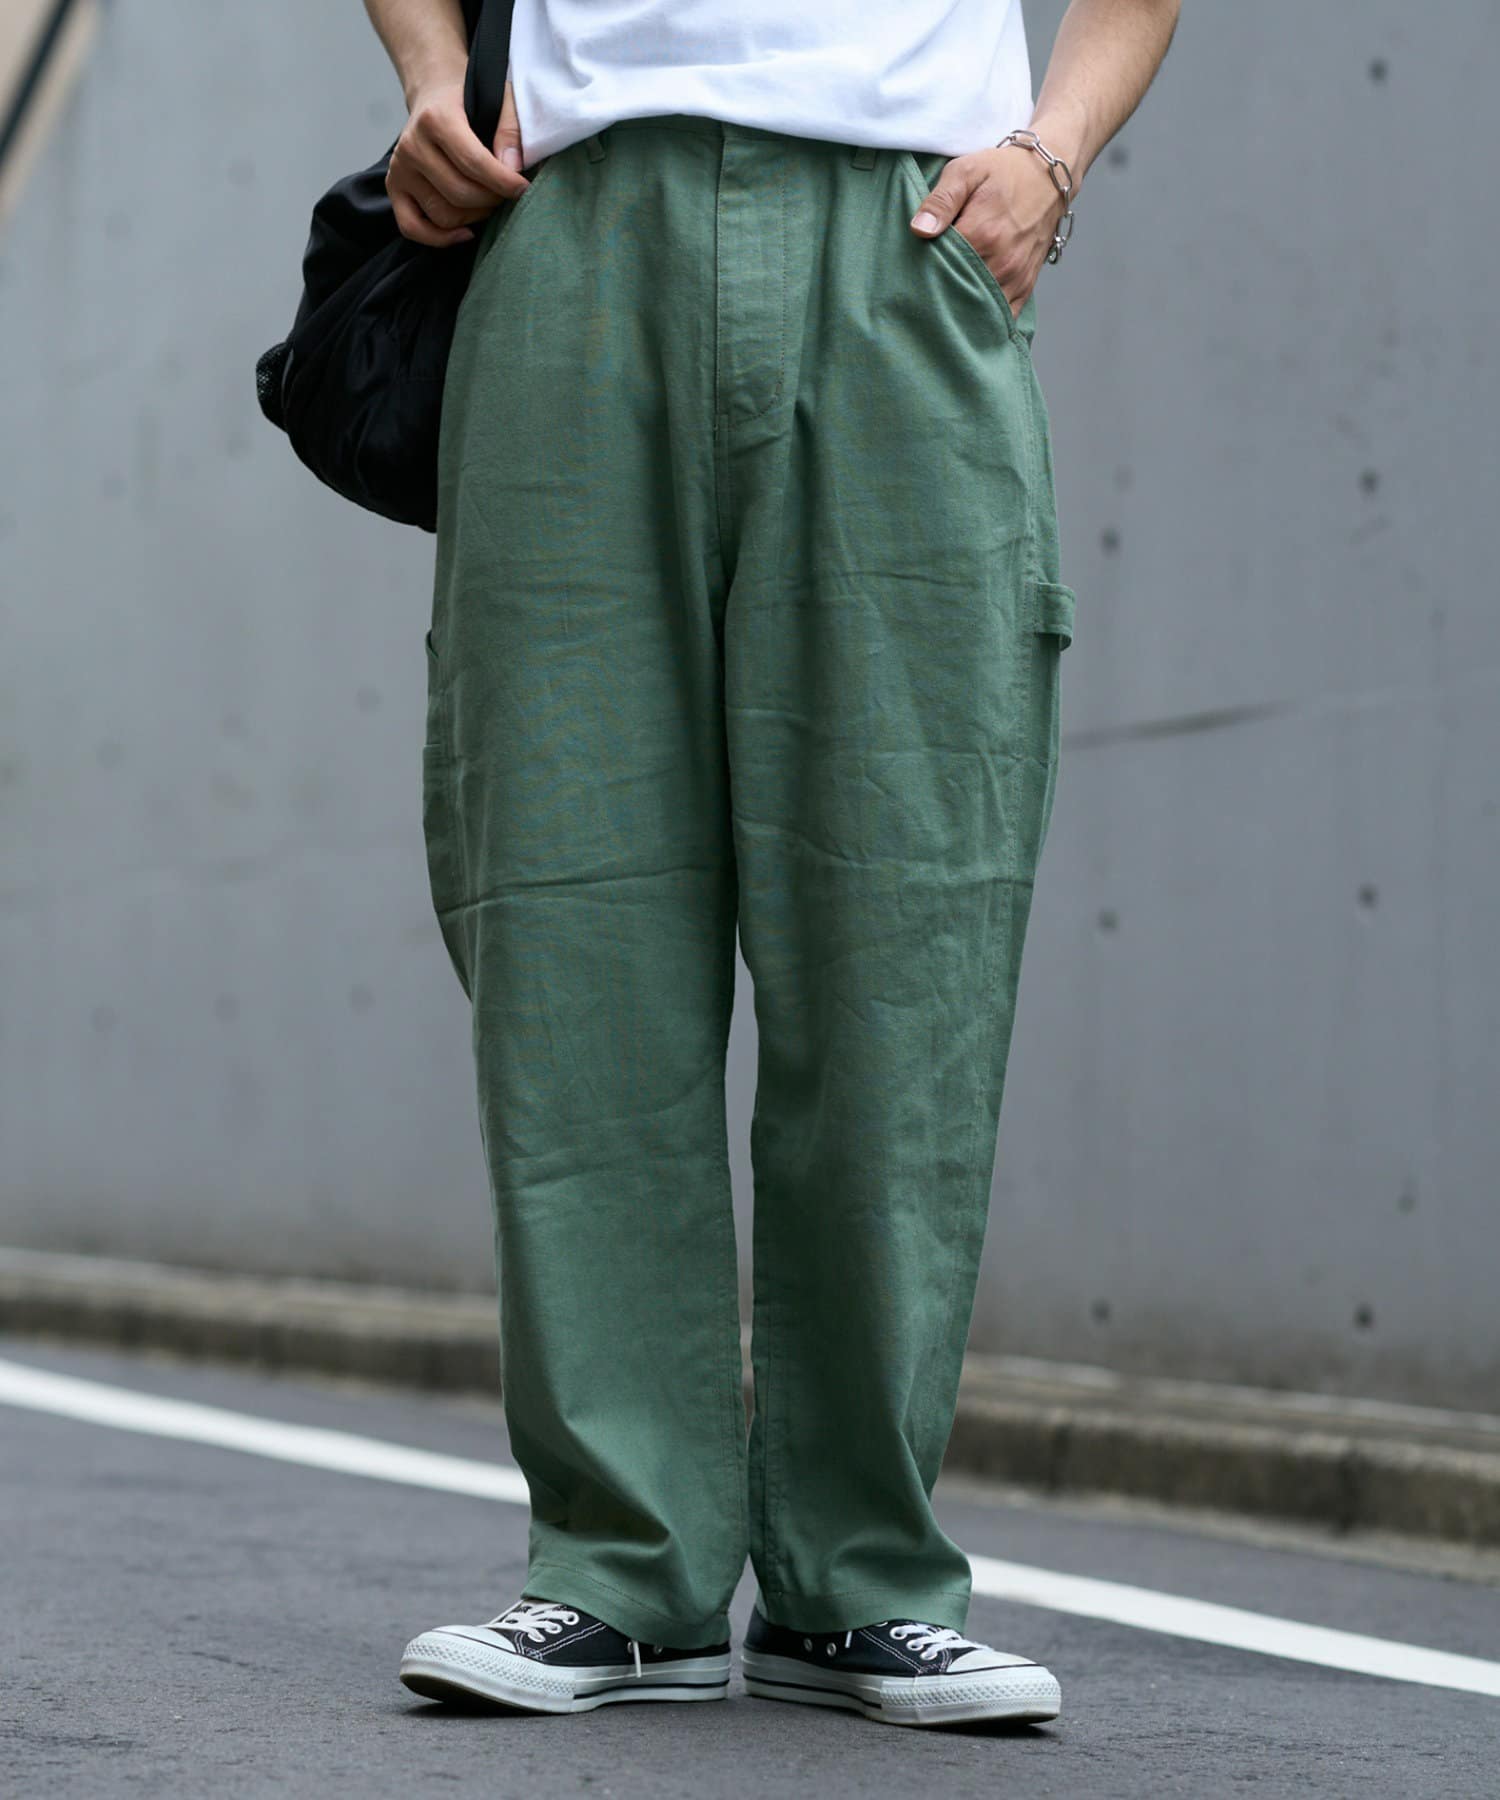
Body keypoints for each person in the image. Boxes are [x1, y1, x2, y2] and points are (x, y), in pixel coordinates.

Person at [369, 0, 1180, 1728]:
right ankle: (623, 1570)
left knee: (906, 927)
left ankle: (858, 1576)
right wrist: (434, 75)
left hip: (908, 231)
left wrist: (1055, 150)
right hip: (577, 226)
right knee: (575, 926)